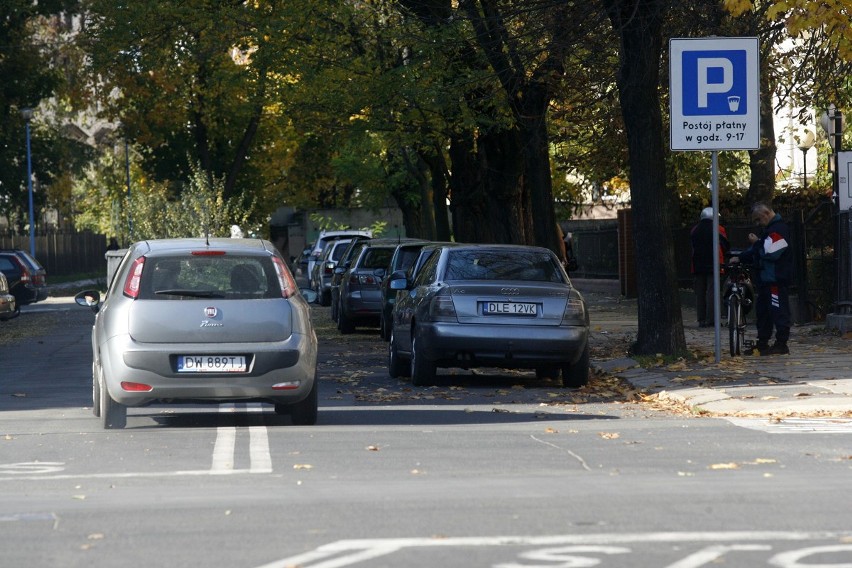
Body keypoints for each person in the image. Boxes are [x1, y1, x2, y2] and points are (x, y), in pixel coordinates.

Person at [731, 202, 793, 355]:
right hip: (767, 279)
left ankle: (781, 344)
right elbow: (761, 249)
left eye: (758, 219)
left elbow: (770, 252)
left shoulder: (779, 229)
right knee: (763, 312)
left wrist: (756, 243)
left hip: (775, 279)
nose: (758, 223)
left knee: (778, 311)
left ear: (766, 213)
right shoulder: (771, 230)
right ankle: (763, 343)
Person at [690, 207, 729, 327]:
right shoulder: (718, 229)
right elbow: (725, 245)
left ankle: (701, 319)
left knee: (700, 293)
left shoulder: (694, 229)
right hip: (714, 263)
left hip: (697, 264)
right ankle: (711, 319)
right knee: (713, 292)